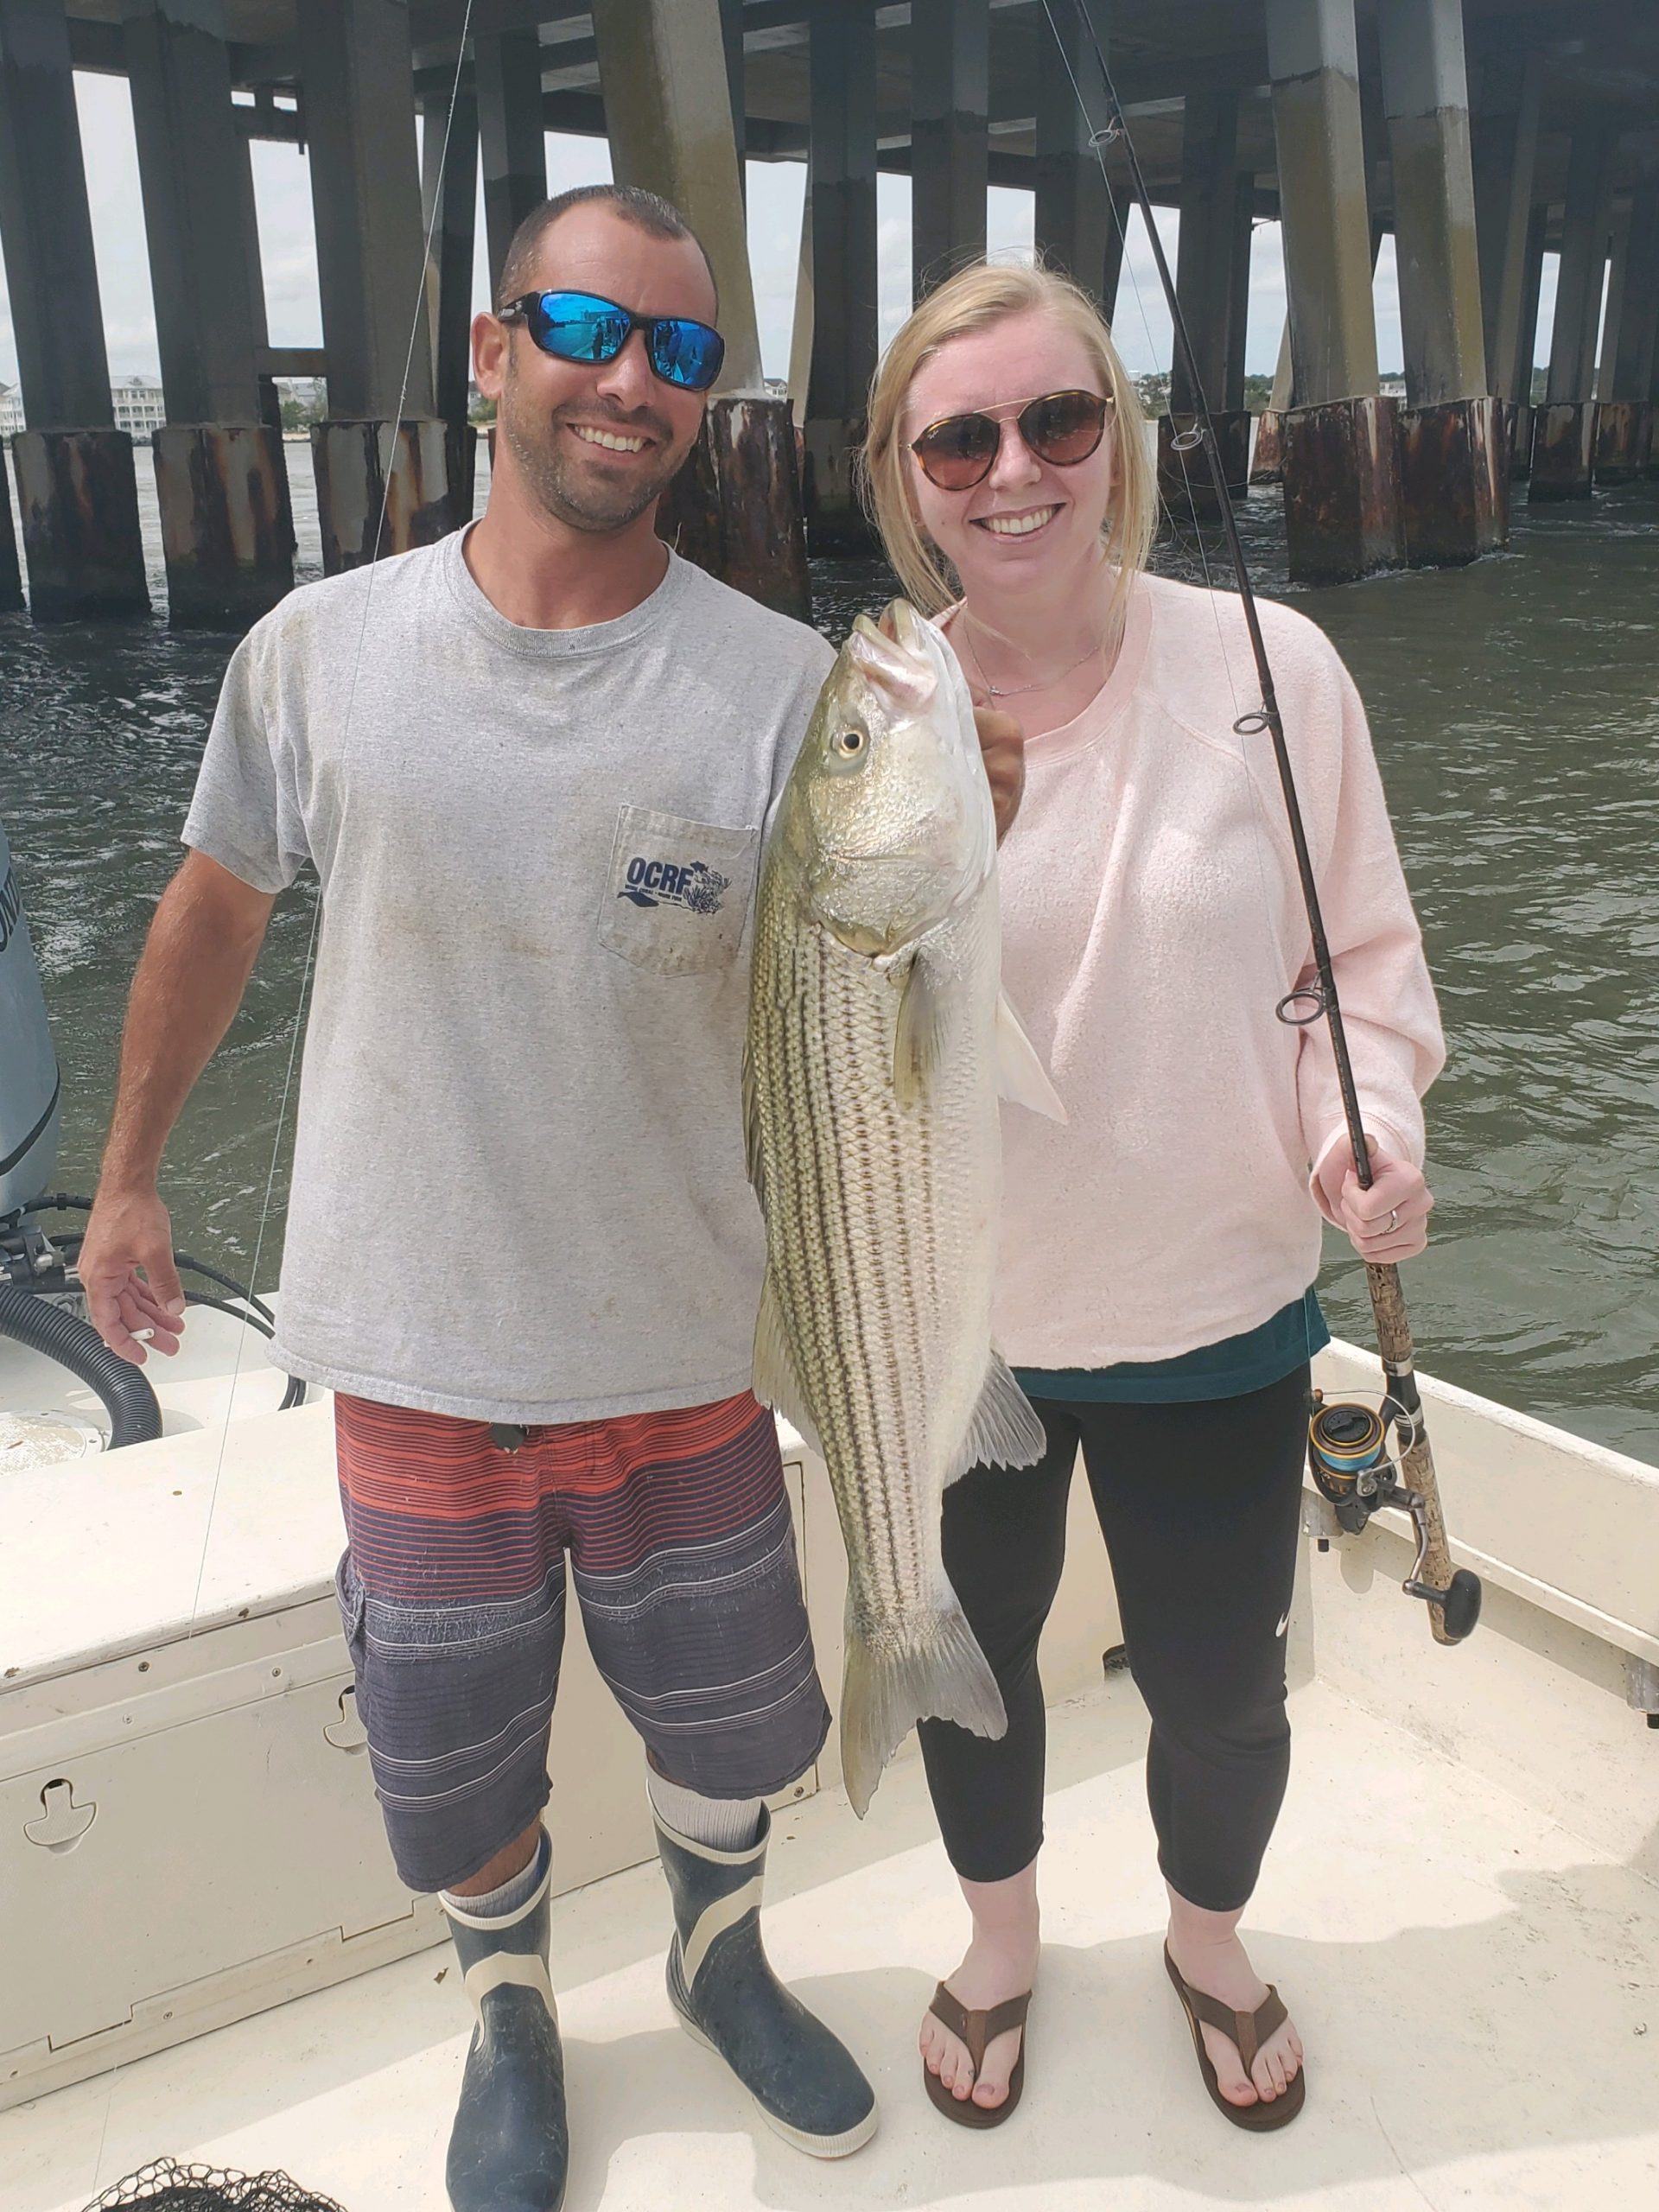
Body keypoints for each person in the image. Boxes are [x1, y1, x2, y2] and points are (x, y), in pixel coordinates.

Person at [74, 184, 1012, 2211]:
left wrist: (983, 795)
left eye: (682, 353)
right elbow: (215, 903)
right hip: (412, 1340)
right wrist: (131, 1174)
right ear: (490, 351)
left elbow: (890, 964)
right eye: (587, 327)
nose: (631, 380)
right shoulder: (317, 647)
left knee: (728, 1719)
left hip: (693, 1335)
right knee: (454, 1754)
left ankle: (715, 1949)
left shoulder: (784, 688)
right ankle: (508, 2002)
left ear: (708, 407)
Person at [860, 260, 1446, 2132]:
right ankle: (1003, 1933)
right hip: (958, 1332)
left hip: (1216, 1309)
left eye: (1059, 418)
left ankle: (1206, 1931)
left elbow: (1353, 957)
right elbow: (805, 1014)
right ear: (906, 470)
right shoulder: (881, 710)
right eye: (962, 433)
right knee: (970, 1669)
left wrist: (1371, 1126)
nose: (1013, 467)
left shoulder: (1273, 670)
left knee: (1222, 1687)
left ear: (1118, 434)